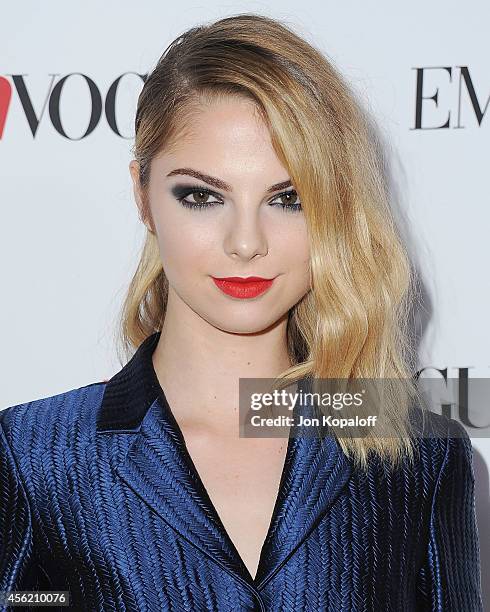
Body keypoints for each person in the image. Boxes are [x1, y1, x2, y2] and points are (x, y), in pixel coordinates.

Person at [0, 12, 483, 612]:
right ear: (143, 196)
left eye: (288, 199)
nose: (246, 241)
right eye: (202, 196)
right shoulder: (32, 454)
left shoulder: (418, 450)